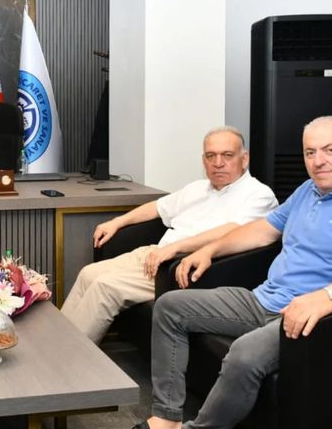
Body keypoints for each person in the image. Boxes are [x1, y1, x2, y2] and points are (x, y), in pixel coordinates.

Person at [107, 115, 332, 429]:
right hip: (263, 298)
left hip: (306, 315)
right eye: (310, 152)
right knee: (170, 306)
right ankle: (166, 417)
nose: (318, 161)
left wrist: (328, 297)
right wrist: (210, 250)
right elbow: (262, 231)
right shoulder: (307, 191)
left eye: (330, 150)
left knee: (244, 353)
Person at [62, 126, 278, 343]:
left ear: (244, 158)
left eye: (227, 155)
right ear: (203, 160)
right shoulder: (197, 187)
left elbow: (233, 230)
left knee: (105, 287)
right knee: (88, 274)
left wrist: (176, 248)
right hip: (157, 253)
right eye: (211, 156)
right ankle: (57, 347)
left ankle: (73, 357)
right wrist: (117, 222)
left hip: (182, 265)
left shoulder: (259, 195)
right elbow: (158, 207)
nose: (218, 163)